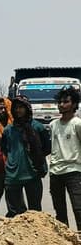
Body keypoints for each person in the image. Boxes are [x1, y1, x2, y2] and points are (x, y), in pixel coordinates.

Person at [1, 96, 51, 216]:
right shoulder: (8, 130)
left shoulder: (37, 127)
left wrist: (34, 158)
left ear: (27, 108)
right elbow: (5, 149)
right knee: (15, 213)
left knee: (35, 212)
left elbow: (47, 148)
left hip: (33, 174)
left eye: (21, 107)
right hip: (13, 176)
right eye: (16, 108)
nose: (18, 110)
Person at [49, 86, 81, 229]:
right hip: (55, 172)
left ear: (74, 104)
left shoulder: (77, 124)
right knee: (59, 211)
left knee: (78, 208)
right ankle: (64, 240)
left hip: (73, 171)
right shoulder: (53, 125)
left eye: (66, 102)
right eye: (60, 102)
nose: (61, 105)